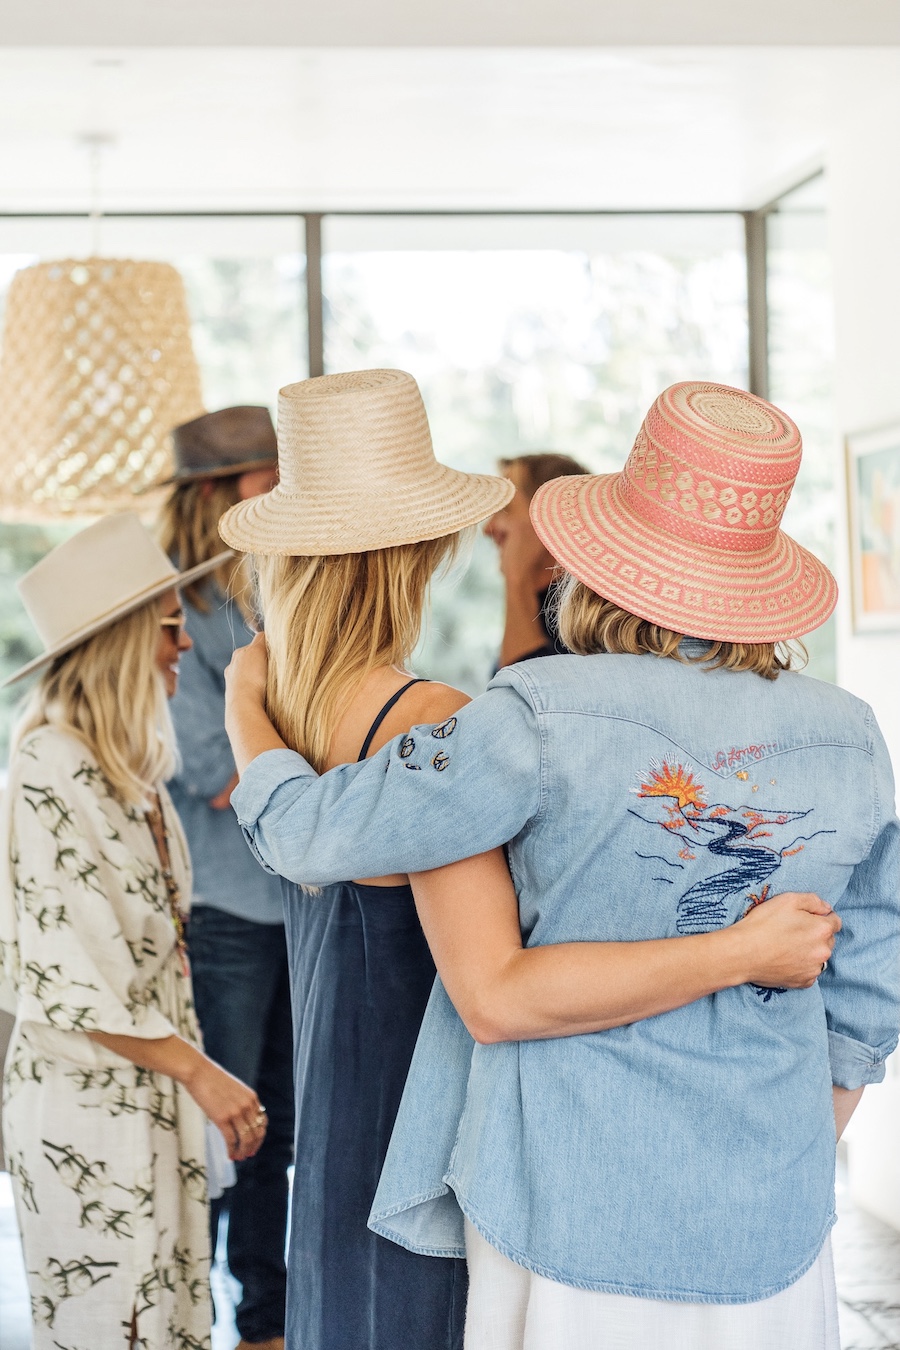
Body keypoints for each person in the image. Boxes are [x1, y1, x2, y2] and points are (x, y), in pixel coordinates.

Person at [223, 381, 899, 1350]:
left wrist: (247, 702)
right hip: (773, 1222)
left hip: (566, 1199)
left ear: (606, 557)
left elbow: (306, 835)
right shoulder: (854, 740)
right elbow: (869, 1002)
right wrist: (781, 1151)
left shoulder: (533, 720)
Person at [0, 513, 267, 1350]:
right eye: (168, 625)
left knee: (176, 1320)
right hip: (86, 1105)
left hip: (151, 1099)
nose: (186, 644)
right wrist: (203, 1074)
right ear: (120, 641)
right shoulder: (49, 768)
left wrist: (194, 1077)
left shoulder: (132, 775)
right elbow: (72, 979)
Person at [156, 406, 290, 1350]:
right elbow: (212, 773)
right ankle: (189, 1319)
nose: (280, 490)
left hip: (295, 902)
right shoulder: (180, 615)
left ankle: (269, 1324)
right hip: (229, 913)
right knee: (224, 1132)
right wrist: (303, 757)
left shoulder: (268, 600)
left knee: (279, 1133)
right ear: (219, 493)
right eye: (265, 475)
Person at [484, 451, 587, 666]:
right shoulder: (539, 607)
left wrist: (516, 580)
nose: (487, 528)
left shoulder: (592, 620)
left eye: (505, 509)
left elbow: (525, 690)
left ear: (550, 519)